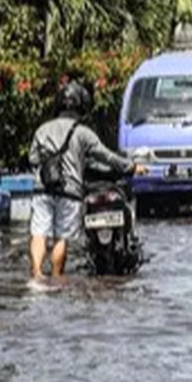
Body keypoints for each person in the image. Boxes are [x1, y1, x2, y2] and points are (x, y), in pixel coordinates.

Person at [27, 81, 148, 280]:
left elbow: (32, 159)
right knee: (61, 238)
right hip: (70, 192)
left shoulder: (42, 130)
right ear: (82, 107)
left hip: (43, 189)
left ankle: (37, 275)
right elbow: (107, 157)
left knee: (39, 233)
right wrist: (133, 167)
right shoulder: (83, 133)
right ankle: (57, 276)